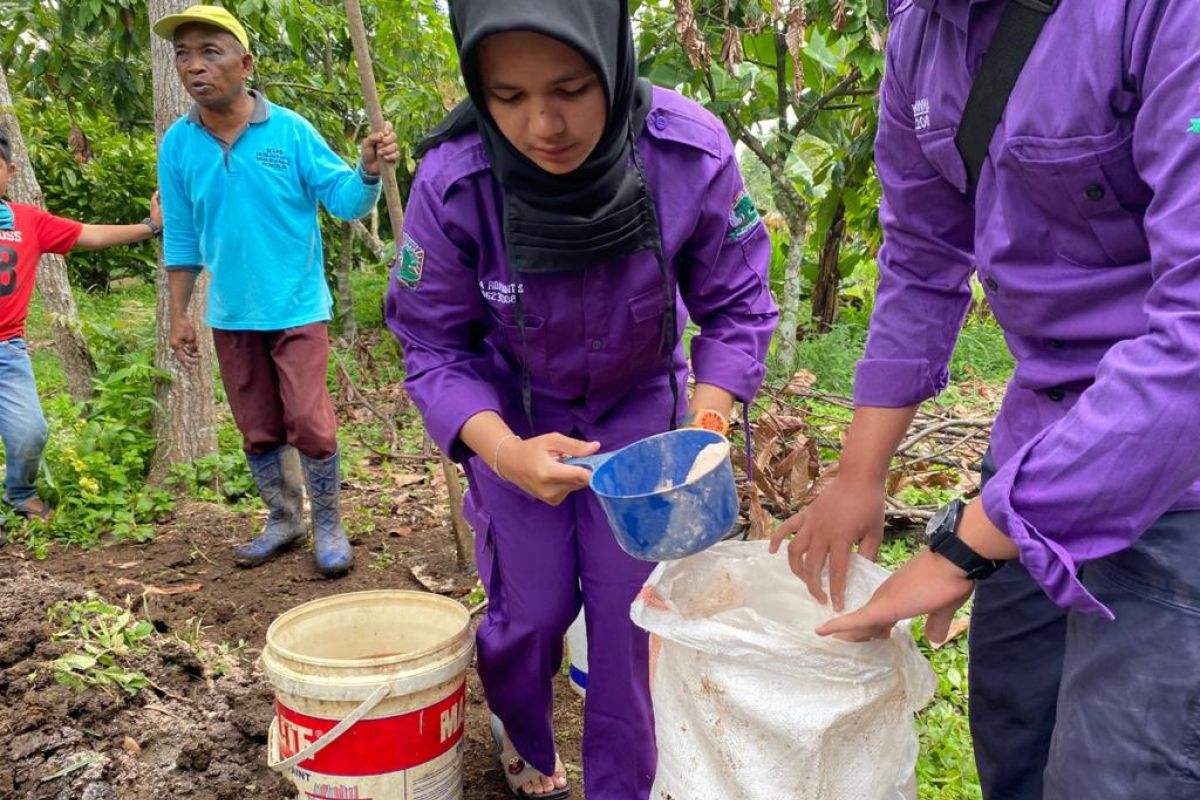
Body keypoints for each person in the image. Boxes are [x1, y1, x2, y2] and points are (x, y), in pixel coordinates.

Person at [770, 0, 1200, 798]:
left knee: (1118, 775)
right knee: (1015, 734)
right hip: (1039, 439)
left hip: (1179, 481)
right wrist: (859, 474)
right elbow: (920, 258)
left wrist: (968, 543)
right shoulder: (920, 38)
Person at [386, 1, 778, 796]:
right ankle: (524, 735)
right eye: (509, 96)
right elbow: (432, 343)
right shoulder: (456, 180)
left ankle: (623, 785)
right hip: (512, 418)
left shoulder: (687, 152)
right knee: (528, 612)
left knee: (630, 618)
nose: (544, 123)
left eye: (570, 87)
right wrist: (500, 452)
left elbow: (737, 304)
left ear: (613, 59)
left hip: (642, 418)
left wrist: (703, 427)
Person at [152, 5, 398, 576]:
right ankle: (285, 519)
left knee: (309, 422)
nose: (194, 66)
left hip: (296, 307)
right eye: (183, 55)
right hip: (233, 313)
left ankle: (329, 523)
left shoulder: (288, 131)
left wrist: (365, 170)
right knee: (257, 425)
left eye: (209, 52)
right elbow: (183, 235)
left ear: (245, 64)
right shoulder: (179, 146)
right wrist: (180, 313)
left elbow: (342, 201)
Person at [0, 124, 162, 527]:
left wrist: (151, 226)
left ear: (11, 172)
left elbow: (88, 234)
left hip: (7, 351)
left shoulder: (27, 221)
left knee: (30, 432)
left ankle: (20, 492)